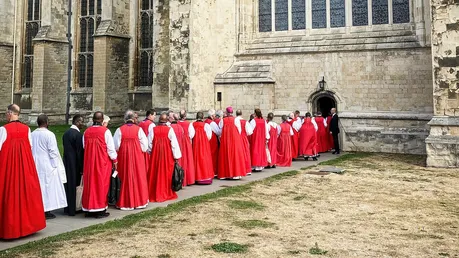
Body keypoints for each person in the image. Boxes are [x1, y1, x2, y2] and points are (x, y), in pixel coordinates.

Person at [0, 104, 46, 239]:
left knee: (9, 195)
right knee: (25, 194)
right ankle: (28, 227)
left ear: (9, 114)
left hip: (8, 168)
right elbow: (30, 147)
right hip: (25, 167)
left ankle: (10, 228)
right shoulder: (27, 129)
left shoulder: (3, 130)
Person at [31, 114, 68, 219]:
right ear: (47, 122)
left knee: (39, 186)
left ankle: (39, 208)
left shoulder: (32, 134)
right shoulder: (49, 134)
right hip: (47, 163)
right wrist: (55, 165)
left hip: (35, 162)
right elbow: (53, 151)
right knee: (47, 187)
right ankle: (46, 209)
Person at [82, 112, 118, 218]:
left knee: (89, 184)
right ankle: (99, 209)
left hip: (89, 162)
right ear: (102, 120)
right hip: (102, 162)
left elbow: (84, 146)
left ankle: (89, 209)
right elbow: (110, 149)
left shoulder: (86, 132)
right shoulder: (105, 132)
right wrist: (115, 160)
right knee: (101, 184)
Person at [113, 110, 149, 210]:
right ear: (133, 119)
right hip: (137, 157)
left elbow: (116, 145)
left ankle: (126, 202)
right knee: (138, 177)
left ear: (125, 118)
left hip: (124, 157)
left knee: (125, 177)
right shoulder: (139, 129)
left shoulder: (119, 130)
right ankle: (139, 202)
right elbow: (145, 146)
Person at [147, 113, 182, 202]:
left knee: (155, 173)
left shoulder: (153, 130)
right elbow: (174, 144)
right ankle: (165, 192)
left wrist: (152, 151)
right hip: (167, 156)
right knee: (166, 174)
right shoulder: (169, 130)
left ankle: (154, 193)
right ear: (167, 121)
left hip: (155, 155)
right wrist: (176, 156)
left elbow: (149, 144)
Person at [63, 114, 85, 216]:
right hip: (75, 164)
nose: (82, 124)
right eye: (81, 122)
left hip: (66, 162)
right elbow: (80, 153)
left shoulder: (66, 133)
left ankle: (67, 208)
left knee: (68, 185)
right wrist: (82, 167)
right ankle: (74, 208)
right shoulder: (78, 135)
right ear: (77, 122)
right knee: (74, 186)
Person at [218, 106, 246, 179]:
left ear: (227, 113)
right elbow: (239, 130)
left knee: (225, 155)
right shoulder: (236, 120)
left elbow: (220, 131)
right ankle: (235, 174)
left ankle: (225, 174)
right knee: (235, 155)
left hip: (226, 139)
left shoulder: (222, 120)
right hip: (234, 139)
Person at [191, 112, 214, 184]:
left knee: (196, 159)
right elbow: (209, 136)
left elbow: (191, 135)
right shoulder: (206, 125)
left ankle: (196, 177)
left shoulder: (192, 124)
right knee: (205, 160)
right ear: (203, 117)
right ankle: (205, 177)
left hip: (195, 144)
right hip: (204, 144)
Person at [178, 110, 196, 186]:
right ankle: (188, 179)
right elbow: (192, 134)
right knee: (187, 159)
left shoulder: (177, 123)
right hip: (186, 141)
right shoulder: (189, 124)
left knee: (181, 159)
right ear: (185, 116)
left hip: (179, 141)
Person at [235, 109, 253, 175]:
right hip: (243, 138)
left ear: (236, 114)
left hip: (236, 138)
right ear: (241, 114)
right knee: (245, 153)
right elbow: (250, 132)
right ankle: (246, 169)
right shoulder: (245, 122)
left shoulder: (234, 120)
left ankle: (239, 169)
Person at [139, 109, 156, 176]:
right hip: (148, 147)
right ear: (150, 115)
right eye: (154, 115)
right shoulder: (151, 125)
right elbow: (152, 137)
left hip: (140, 147)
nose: (155, 117)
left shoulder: (140, 123)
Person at [204, 109, 220, 176]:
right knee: (213, 156)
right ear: (212, 116)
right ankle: (214, 171)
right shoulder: (212, 123)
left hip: (206, 141)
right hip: (212, 141)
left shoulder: (205, 121)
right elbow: (218, 132)